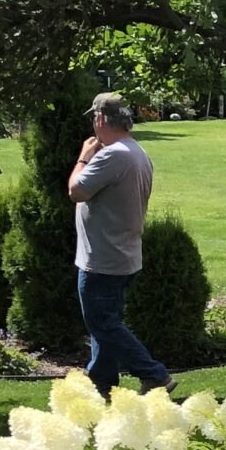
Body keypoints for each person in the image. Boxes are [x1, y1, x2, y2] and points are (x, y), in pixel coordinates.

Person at [67, 92, 171, 394]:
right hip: (121, 254)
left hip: (103, 258)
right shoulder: (136, 151)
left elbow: (77, 190)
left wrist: (83, 157)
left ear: (100, 119)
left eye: (93, 119)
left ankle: (154, 374)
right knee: (106, 323)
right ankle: (102, 382)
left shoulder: (113, 155)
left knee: (103, 325)